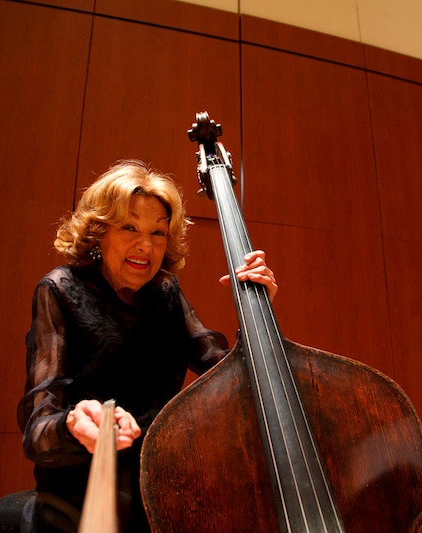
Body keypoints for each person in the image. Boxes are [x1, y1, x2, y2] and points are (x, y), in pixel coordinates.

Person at [17, 160, 277, 532]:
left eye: (158, 232)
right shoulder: (59, 290)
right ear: (99, 232)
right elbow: (37, 429)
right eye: (129, 228)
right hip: (79, 492)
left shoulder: (164, 291)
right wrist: (73, 424)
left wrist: (259, 307)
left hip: (158, 485)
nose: (145, 245)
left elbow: (229, 373)